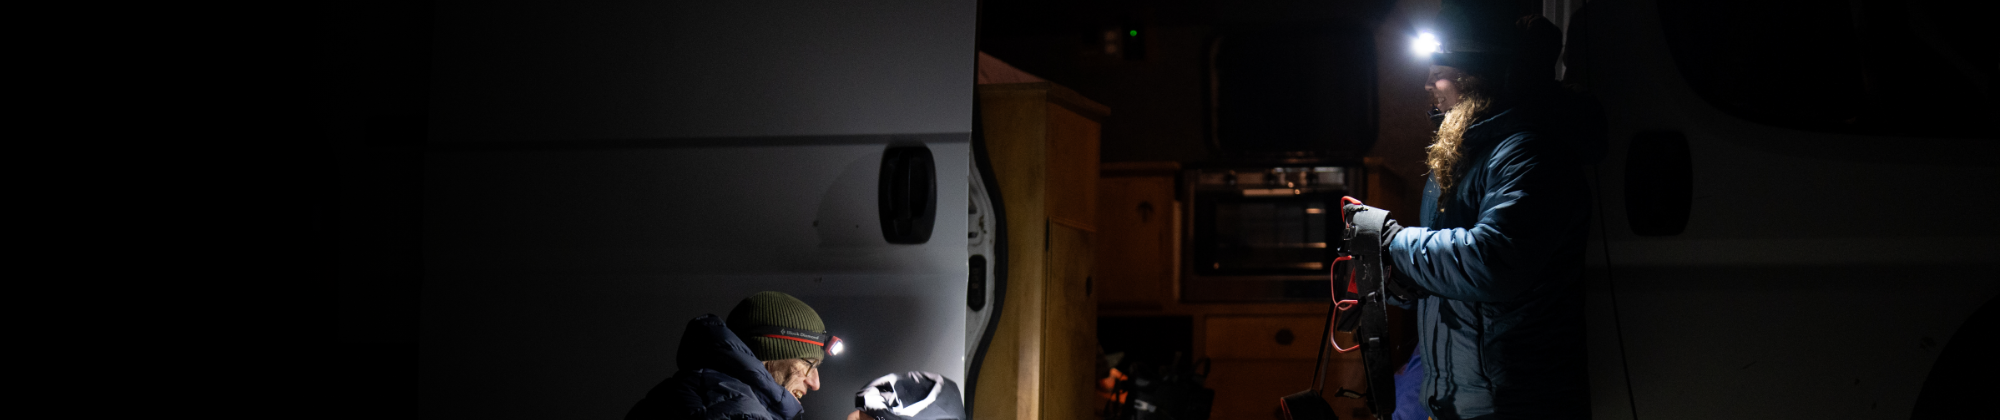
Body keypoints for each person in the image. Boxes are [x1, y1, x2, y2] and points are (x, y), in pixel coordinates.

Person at [1348, 2, 1595, 419]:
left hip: (1514, 404)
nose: (1428, 84)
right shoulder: (1465, 156)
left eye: (1439, 71)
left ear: (1478, 75)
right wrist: (1408, 279)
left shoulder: (1528, 154)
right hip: (1463, 400)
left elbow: (1493, 261)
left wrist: (1392, 241)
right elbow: (1460, 273)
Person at [627, 291, 836, 420]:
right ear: (769, 353)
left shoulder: (708, 393)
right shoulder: (739, 412)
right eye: (809, 363)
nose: (815, 383)